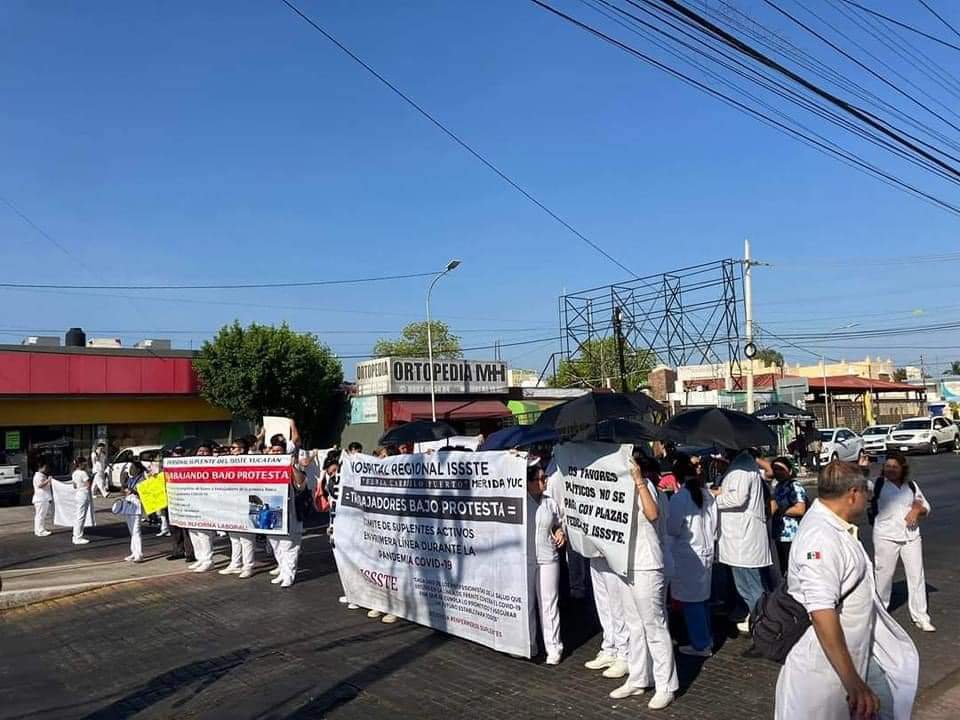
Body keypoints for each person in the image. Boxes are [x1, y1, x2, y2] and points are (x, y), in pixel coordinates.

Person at [775, 460, 919, 720]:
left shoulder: (835, 527)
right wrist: (853, 682)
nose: (868, 499)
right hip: (827, 671)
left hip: (857, 656)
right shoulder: (820, 538)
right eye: (866, 492)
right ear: (853, 494)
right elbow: (821, 612)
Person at [609, 457, 678, 711]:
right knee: (634, 624)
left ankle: (666, 685)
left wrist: (638, 480)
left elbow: (652, 514)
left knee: (654, 625)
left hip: (646, 563)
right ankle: (638, 677)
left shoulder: (645, 484)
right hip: (625, 563)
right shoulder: (615, 488)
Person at [710, 449, 773, 633]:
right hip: (740, 539)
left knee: (750, 586)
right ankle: (758, 618)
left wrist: (713, 498)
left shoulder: (741, 469)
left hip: (743, 540)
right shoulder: (742, 466)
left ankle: (764, 627)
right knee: (748, 584)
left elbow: (737, 498)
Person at [871, 452, 934, 632]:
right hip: (886, 536)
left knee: (916, 576)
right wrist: (862, 470)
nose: (890, 470)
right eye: (888, 466)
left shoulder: (911, 486)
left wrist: (916, 510)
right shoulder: (878, 484)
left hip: (911, 536)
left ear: (902, 469)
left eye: (894, 467)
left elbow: (926, 508)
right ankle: (880, 613)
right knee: (883, 576)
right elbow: (858, 489)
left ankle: (921, 616)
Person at [668, 455, 718, 657]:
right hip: (706, 550)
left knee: (692, 602)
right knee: (703, 598)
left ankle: (701, 644)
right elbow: (715, 523)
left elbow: (673, 528)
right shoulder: (707, 495)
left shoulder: (680, 498)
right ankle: (707, 637)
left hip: (689, 554)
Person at [526, 463, 565, 664]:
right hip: (525, 558)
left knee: (549, 603)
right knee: (527, 603)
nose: (544, 482)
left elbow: (558, 523)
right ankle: (529, 644)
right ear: (529, 482)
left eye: (545, 478)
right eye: (540, 479)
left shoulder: (549, 502)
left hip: (548, 556)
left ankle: (554, 647)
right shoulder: (520, 501)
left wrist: (559, 531)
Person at [266, 441, 307, 588]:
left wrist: (290, 466)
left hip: (291, 514)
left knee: (289, 546)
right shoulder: (265, 466)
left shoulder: (296, 466)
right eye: (273, 451)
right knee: (276, 545)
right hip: (272, 513)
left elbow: (301, 482)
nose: (275, 453)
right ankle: (283, 571)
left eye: (279, 451)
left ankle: (289, 575)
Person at [220, 438, 256, 579]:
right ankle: (235, 564)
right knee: (234, 537)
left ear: (241, 449)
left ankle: (248, 566)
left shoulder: (251, 462)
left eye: (233, 448)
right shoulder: (229, 463)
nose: (231, 450)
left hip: (246, 503)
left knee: (246, 538)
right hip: (231, 503)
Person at [770, 457, 808, 575]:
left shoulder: (794, 486)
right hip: (780, 535)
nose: (777, 472)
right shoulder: (778, 486)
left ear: (790, 470)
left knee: (792, 570)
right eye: (775, 469)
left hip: (792, 535)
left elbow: (800, 509)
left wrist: (780, 510)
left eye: (781, 469)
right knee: (784, 569)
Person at [187, 443, 216, 573]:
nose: (202, 454)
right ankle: (200, 558)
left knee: (204, 533)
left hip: (207, 504)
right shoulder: (191, 466)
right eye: (200, 451)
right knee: (193, 532)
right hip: (192, 503)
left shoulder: (215, 465)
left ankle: (208, 560)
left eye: (205, 451)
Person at [123, 461, 146, 562]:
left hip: (136, 504)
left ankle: (139, 554)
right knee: (131, 530)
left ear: (138, 469)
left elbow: (142, 491)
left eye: (133, 467)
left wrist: (133, 491)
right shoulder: (130, 479)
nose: (131, 470)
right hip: (128, 504)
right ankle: (134, 552)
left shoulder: (142, 479)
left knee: (136, 530)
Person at [71, 457, 93, 545]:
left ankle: (75, 535)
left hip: (78, 494)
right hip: (83, 494)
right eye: (85, 463)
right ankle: (78, 537)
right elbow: (88, 485)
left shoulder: (74, 473)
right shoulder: (83, 473)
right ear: (81, 464)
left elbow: (74, 486)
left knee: (78, 516)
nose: (86, 465)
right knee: (81, 517)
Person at [32, 461, 53, 537]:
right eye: (45, 467)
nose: (46, 469)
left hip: (43, 498)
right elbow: (40, 485)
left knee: (40, 515)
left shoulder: (42, 475)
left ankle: (38, 529)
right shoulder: (38, 476)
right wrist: (48, 480)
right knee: (40, 515)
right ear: (40, 467)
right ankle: (40, 530)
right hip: (41, 498)